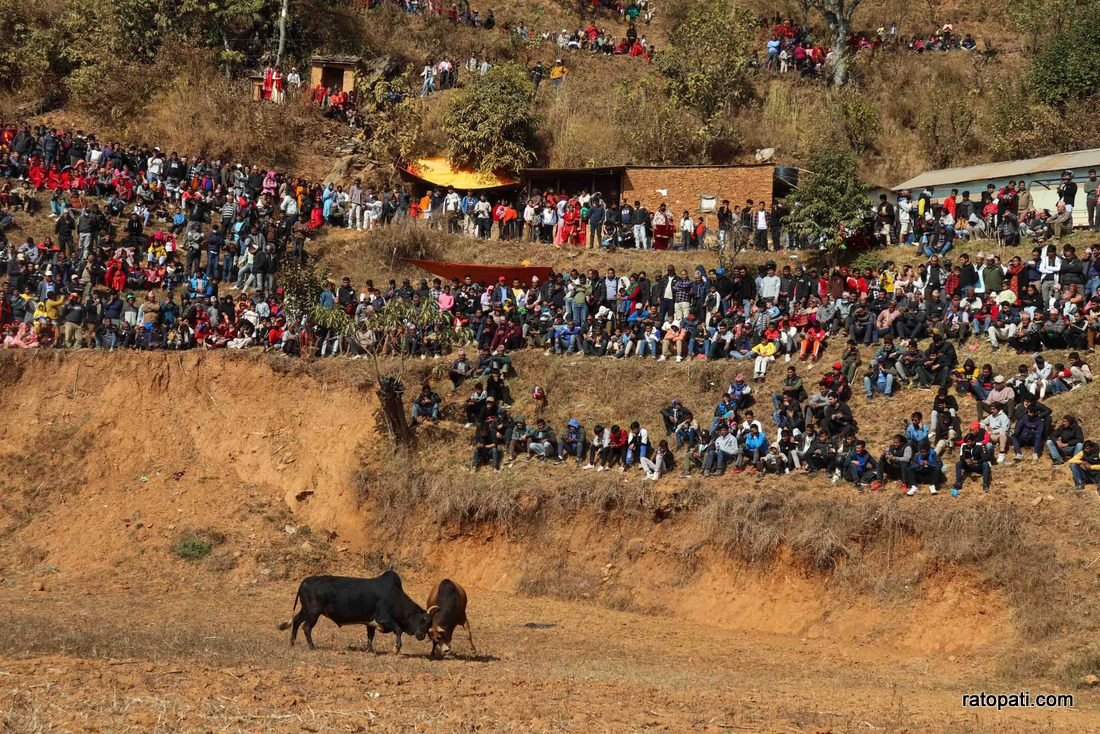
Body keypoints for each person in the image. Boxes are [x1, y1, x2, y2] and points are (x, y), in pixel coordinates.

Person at [952, 430, 991, 495]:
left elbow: (985, 457)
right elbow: (961, 457)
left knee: (985, 464)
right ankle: (958, 482)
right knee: (958, 463)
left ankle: (985, 484)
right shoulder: (964, 445)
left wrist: (977, 461)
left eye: (969, 442)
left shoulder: (980, 445)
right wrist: (966, 460)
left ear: (973, 441)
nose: (967, 444)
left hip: (978, 465)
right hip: (968, 465)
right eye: (966, 442)